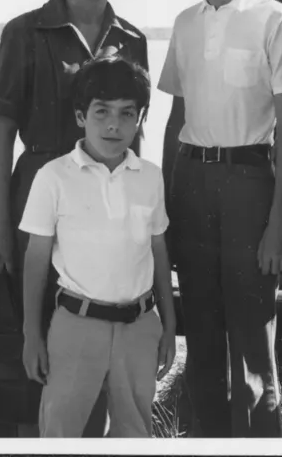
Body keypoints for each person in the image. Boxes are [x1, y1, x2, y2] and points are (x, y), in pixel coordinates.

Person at [0, 0, 148, 435]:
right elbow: (2, 129)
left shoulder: (133, 39)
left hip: (106, 209)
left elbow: (135, 139)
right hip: (39, 197)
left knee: (101, 334)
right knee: (41, 341)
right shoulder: (26, 32)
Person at [158, 0, 282, 437]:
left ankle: (263, 442)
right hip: (192, 183)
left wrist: (277, 221)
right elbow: (176, 118)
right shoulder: (184, 23)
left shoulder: (273, 18)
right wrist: (165, 209)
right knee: (200, 333)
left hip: (249, 183)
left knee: (251, 339)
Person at [18, 54, 176, 438]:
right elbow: (36, 258)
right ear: (80, 116)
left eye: (127, 114)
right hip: (76, 325)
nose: (113, 124)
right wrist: (31, 335)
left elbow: (158, 253)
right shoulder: (52, 177)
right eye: (101, 111)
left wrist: (169, 327)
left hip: (140, 327)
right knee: (60, 432)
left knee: (135, 432)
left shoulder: (151, 177)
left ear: (140, 119)